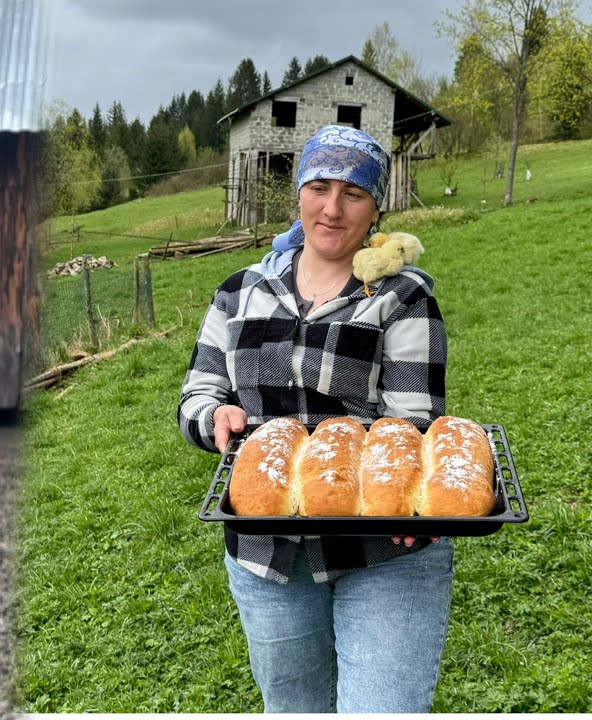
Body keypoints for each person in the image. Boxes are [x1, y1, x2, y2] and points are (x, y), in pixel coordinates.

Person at [178, 125, 450, 713]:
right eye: (319, 187)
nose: (332, 208)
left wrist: (412, 506)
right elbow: (198, 393)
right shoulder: (239, 292)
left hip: (382, 551)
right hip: (267, 552)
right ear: (298, 193)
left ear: (376, 206)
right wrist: (215, 417)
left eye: (353, 193)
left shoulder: (401, 297)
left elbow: (413, 423)